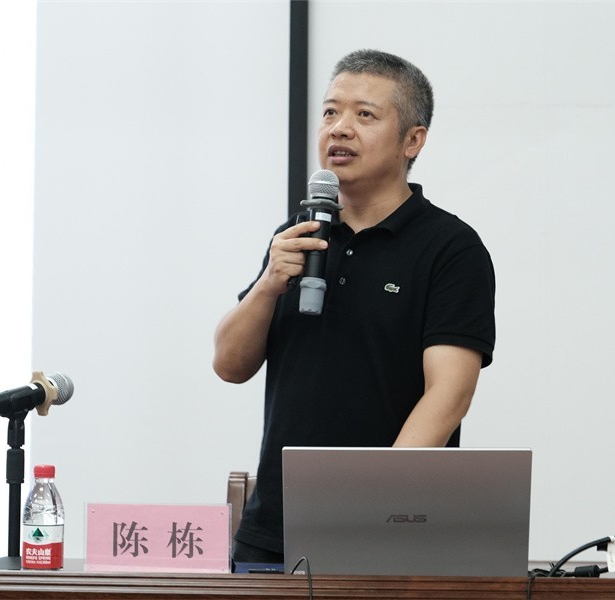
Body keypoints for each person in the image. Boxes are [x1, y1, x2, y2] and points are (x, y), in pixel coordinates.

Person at [213, 49, 496, 565]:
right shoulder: (297, 235)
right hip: (274, 532)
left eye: (364, 114)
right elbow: (229, 365)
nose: (339, 128)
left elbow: (449, 394)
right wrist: (269, 283)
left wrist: (374, 509)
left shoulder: (450, 248)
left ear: (413, 140)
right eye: (330, 112)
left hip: (392, 532)